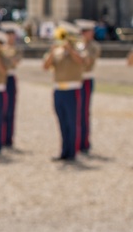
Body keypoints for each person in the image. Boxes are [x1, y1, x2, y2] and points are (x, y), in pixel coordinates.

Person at [42, 23, 84, 162]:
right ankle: (64, 151)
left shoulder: (79, 49)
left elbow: (82, 62)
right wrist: (52, 52)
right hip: (58, 89)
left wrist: (71, 50)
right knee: (62, 122)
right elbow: (45, 67)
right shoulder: (57, 51)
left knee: (72, 122)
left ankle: (72, 152)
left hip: (73, 90)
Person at [75, 19, 101, 154]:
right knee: (75, 112)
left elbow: (87, 61)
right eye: (82, 31)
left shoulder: (93, 46)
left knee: (84, 112)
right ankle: (75, 140)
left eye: (87, 31)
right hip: (75, 80)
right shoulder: (77, 45)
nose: (84, 34)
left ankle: (84, 142)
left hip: (86, 79)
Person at [1, 25, 23, 148]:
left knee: (10, 109)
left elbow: (15, 62)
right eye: (8, 34)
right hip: (0, 79)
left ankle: (8, 138)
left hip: (10, 77)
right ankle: (0, 136)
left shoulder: (17, 49)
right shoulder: (0, 47)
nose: (9, 37)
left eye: (11, 34)